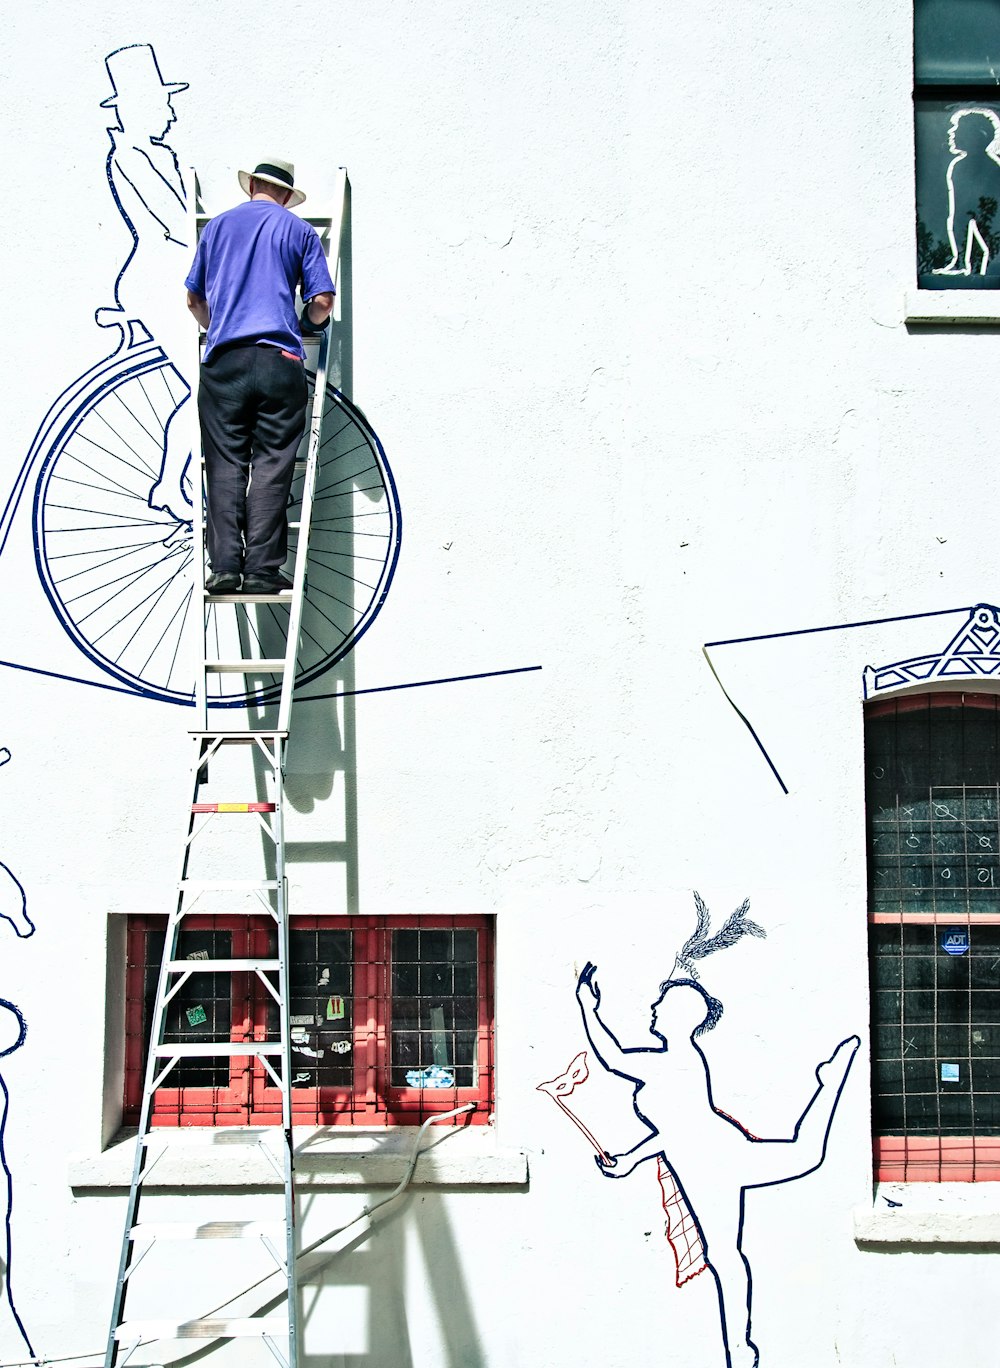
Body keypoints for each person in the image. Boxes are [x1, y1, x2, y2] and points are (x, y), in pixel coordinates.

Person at [576, 963, 858, 1368]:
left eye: (662, 1003)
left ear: (679, 1017)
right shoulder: (672, 1060)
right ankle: (740, 1349)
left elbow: (614, 1059)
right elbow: (665, 1122)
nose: (653, 1007)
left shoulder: (677, 1063)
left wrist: (589, 1007)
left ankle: (740, 1351)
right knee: (729, 1248)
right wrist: (630, 1160)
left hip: (714, 1162)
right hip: (704, 1159)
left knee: (737, 1241)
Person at [184, 158, 335, 595]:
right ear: (287, 196)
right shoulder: (300, 231)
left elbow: (193, 299)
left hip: (225, 361)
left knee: (226, 463)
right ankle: (263, 572)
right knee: (273, 464)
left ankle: (226, 568)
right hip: (279, 363)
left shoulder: (216, 228)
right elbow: (322, 301)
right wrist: (309, 324)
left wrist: (218, 328)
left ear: (250, 185)